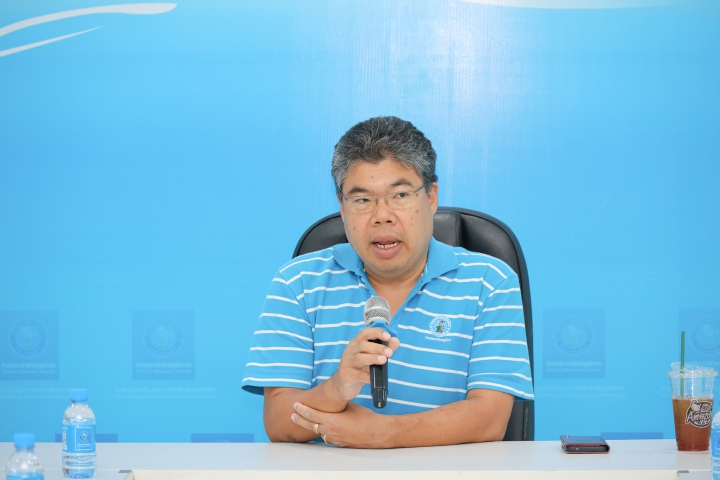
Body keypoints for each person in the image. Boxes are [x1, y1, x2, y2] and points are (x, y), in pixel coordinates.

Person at [242, 116, 533, 448]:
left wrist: (381, 433)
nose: (382, 215)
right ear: (342, 207)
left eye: (400, 195)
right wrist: (336, 389)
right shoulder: (298, 283)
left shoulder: (490, 283)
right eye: (362, 200)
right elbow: (278, 423)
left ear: (431, 197)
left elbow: (490, 418)